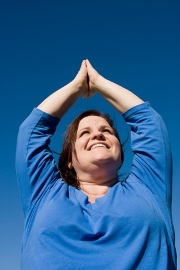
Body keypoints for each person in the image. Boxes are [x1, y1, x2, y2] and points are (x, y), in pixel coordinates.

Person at [16, 60, 177, 269]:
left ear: (120, 156)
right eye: (85, 133)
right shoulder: (44, 192)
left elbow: (148, 122)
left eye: (107, 131)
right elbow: (31, 132)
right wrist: (76, 86)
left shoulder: (148, 186)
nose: (98, 134)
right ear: (69, 160)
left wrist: (99, 82)